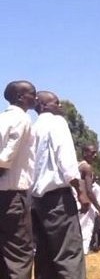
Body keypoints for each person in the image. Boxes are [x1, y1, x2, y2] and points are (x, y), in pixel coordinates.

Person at [31, 90, 90, 279]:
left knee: (45, 257)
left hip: (36, 202)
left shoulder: (33, 128)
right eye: (56, 103)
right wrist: (80, 191)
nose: (60, 106)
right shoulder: (56, 122)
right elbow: (65, 159)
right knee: (69, 255)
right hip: (58, 201)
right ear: (42, 105)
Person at [0, 80, 36, 279]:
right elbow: (6, 158)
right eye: (32, 93)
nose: (35, 97)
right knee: (19, 256)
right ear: (20, 97)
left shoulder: (1, 119)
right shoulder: (22, 119)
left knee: (3, 256)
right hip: (13, 197)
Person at [78, 144, 100, 255]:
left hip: (76, 204)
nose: (95, 155)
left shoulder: (78, 165)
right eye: (93, 152)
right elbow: (89, 192)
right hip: (85, 206)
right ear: (85, 153)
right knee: (85, 234)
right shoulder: (87, 168)